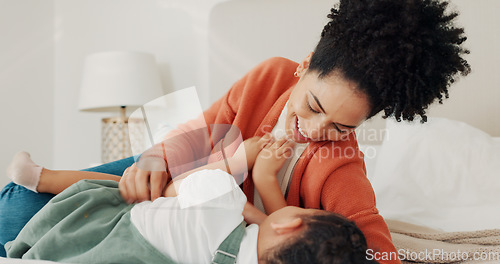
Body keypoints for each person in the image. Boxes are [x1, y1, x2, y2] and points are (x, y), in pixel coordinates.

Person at [0, 0, 470, 262]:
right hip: (190, 169)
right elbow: (204, 132)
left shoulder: (339, 165)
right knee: (18, 203)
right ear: (303, 67)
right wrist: (154, 159)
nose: (315, 130)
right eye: (313, 105)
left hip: (206, 223)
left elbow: (377, 247)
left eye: (341, 126)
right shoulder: (270, 75)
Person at [5, 136, 376, 264]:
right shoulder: (234, 217)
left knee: (129, 190)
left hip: (98, 232)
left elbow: (175, 188)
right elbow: (266, 230)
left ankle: (40, 178)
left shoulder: (222, 200)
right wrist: (264, 184)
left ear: (291, 221)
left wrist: (241, 164)